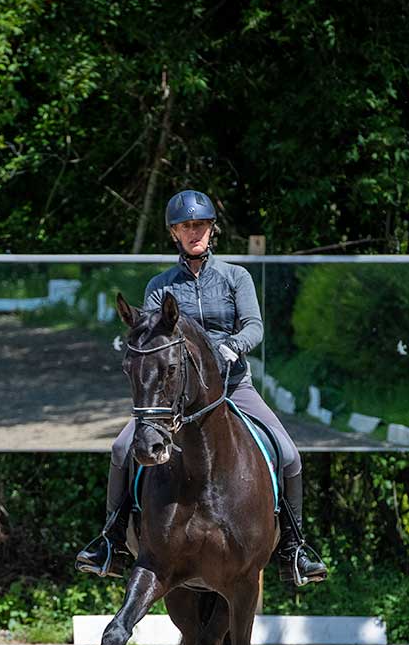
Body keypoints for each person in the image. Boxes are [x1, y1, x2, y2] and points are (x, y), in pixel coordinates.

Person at [75, 189, 328, 586]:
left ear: (212, 229)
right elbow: (154, 336)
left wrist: (233, 347)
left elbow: (254, 326)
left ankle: (294, 549)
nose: (194, 232)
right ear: (174, 233)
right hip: (177, 397)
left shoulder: (234, 277)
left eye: (200, 225)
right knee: (122, 448)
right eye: (185, 226)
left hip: (233, 385)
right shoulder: (160, 286)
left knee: (289, 452)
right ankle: (111, 542)